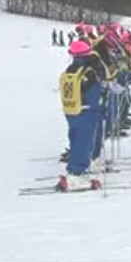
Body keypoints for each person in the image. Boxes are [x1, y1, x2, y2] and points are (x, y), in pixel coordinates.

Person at [57, 41, 103, 192]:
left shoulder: (69, 70)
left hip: (70, 111)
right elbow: (94, 95)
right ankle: (76, 174)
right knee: (84, 141)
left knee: (75, 139)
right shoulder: (88, 72)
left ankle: (74, 168)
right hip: (85, 110)